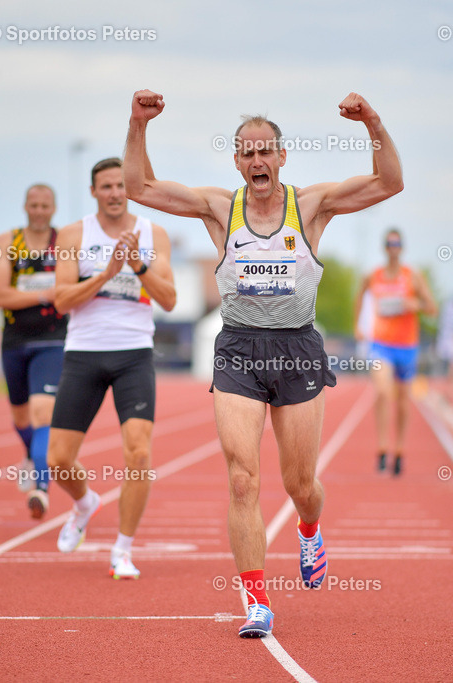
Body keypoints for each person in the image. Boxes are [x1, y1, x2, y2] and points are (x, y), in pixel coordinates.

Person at [123, 89, 403, 637]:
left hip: (297, 348)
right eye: (246, 153)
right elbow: (140, 188)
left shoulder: (313, 205)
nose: (256, 162)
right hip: (238, 349)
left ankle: (309, 526)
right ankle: (255, 599)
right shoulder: (217, 207)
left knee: (300, 482)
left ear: (281, 157)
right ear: (236, 161)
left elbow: (389, 182)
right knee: (243, 480)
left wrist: (371, 120)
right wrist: (138, 124)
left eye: (265, 152)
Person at [47, 157, 176, 580]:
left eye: (121, 185)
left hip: (133, 353)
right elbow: (62, 301)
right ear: (93, 192)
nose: (115, 193)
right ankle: (85, 504)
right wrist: (106, 273)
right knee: (58, 460)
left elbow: (170, 299)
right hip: (83, 353)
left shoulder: (153, 234)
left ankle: (123, 549)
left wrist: (137, 265)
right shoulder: (72, 235)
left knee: (139, 453)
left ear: (130, 190)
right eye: (106, 186)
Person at [0, 184, 68, 519]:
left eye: (44, 205)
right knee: (21, 418)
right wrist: (42, 295)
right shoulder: (5, 243)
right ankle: (30, 454)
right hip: (15, 341)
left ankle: (41, 487)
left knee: (42, 414)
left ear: (53, 208)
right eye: (33, 205)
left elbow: (68, 290)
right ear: (25, 207)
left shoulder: (64, 242)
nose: (39, 211)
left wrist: (54, 294)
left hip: (53, 340)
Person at [354, 228, 436, 475]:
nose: (393, 247)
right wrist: (358, 324)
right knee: (381, 391)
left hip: (407, 346)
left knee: (402, 401)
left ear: (402, 247)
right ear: (384, 247)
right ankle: (382, 447)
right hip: (381, 344)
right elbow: (359, 297)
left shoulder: (413, 277)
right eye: (389, 243)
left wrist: (414, 304)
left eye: (397, 243)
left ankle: (399, 449)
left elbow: (432, 308)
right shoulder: (374, 276)